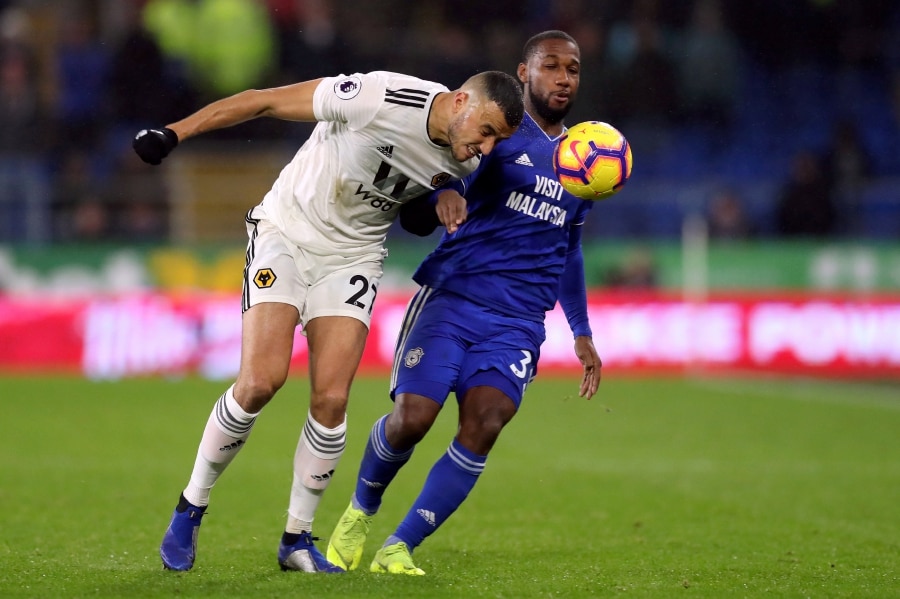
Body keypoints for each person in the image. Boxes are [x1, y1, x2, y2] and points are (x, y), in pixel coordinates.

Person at [132, 69, 524, 572]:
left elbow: (411, 212)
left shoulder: (464, 155)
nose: (486, 148)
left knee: (333, 399)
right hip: (287, 234)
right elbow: (265, 102)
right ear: (462, 101)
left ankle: (296, 539)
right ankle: (191, 507)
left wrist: (441, 197)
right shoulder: (381, 96)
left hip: (354, 257)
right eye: (486, 131)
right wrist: (174, 133)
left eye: (497, 140)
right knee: (259, 383)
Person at [325, 30, 601, 576]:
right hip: (453, 298)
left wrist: (581, 330)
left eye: (572, 68)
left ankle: (399, 547)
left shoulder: (584, 161)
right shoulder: (491, 137)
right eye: (551, 66)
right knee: (413, 418)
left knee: (487, 421)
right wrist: (440, 195)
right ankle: (360, 510)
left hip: (520, 321)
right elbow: (419, 202)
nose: (564, 77)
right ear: (524, 74)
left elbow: (569, 248)